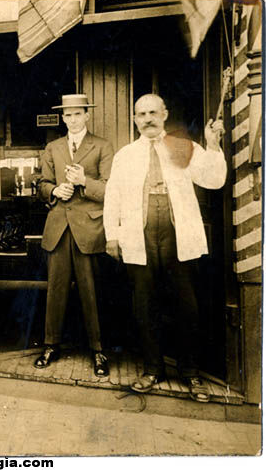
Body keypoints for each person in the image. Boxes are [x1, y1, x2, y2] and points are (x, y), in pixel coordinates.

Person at [103, 93, 226, 402]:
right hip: (139, 235)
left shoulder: (182, 147)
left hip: (176, 234)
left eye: (153, 113)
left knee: (187, 305)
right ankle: (152, 370)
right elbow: (113, 197)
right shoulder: (125, 155)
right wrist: (112, 236)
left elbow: (214, 180)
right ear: (134, 119)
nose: (148, 119)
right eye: (141, 114)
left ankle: (191, 373)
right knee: (145, 305)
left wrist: (212, 145)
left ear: (165, 114)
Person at [35, 94, 114, 377]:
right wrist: (54, 191)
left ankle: (98, 350)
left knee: (91, 292)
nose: (72, 120)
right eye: (67, 115)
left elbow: (109, 189)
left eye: (77, 114)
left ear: (87, 115)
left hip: (89, 229)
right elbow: (42, 184)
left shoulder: (102, 146)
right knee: (55, 291)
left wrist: (83, 182)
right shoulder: (53, 147)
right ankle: (50, 345)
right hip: (58, 228)